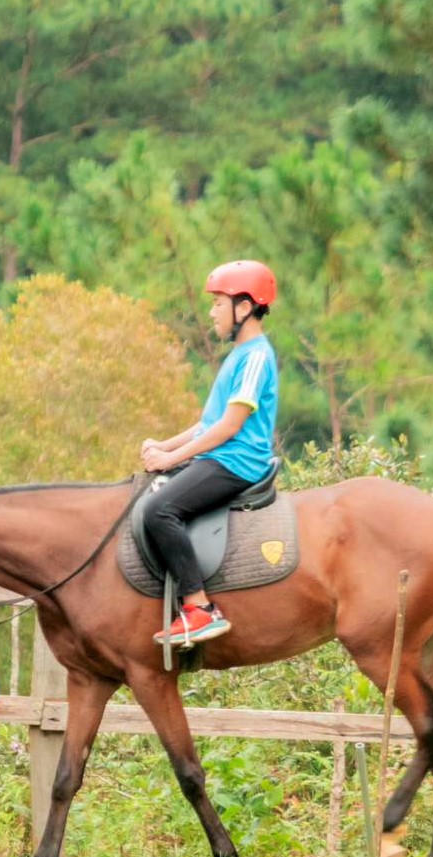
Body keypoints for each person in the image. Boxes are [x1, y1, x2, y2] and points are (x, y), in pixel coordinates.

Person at [138, 259, 280, 647]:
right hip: (220, 454)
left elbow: (230, 426)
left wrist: (171, 459)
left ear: (245, 307)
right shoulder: (238, 356)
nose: (211, 312)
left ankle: (198, 609)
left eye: (218, 303)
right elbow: (208, 422)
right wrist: (164, 445)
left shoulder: (255, 357)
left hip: (237, 463)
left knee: (159, 510)